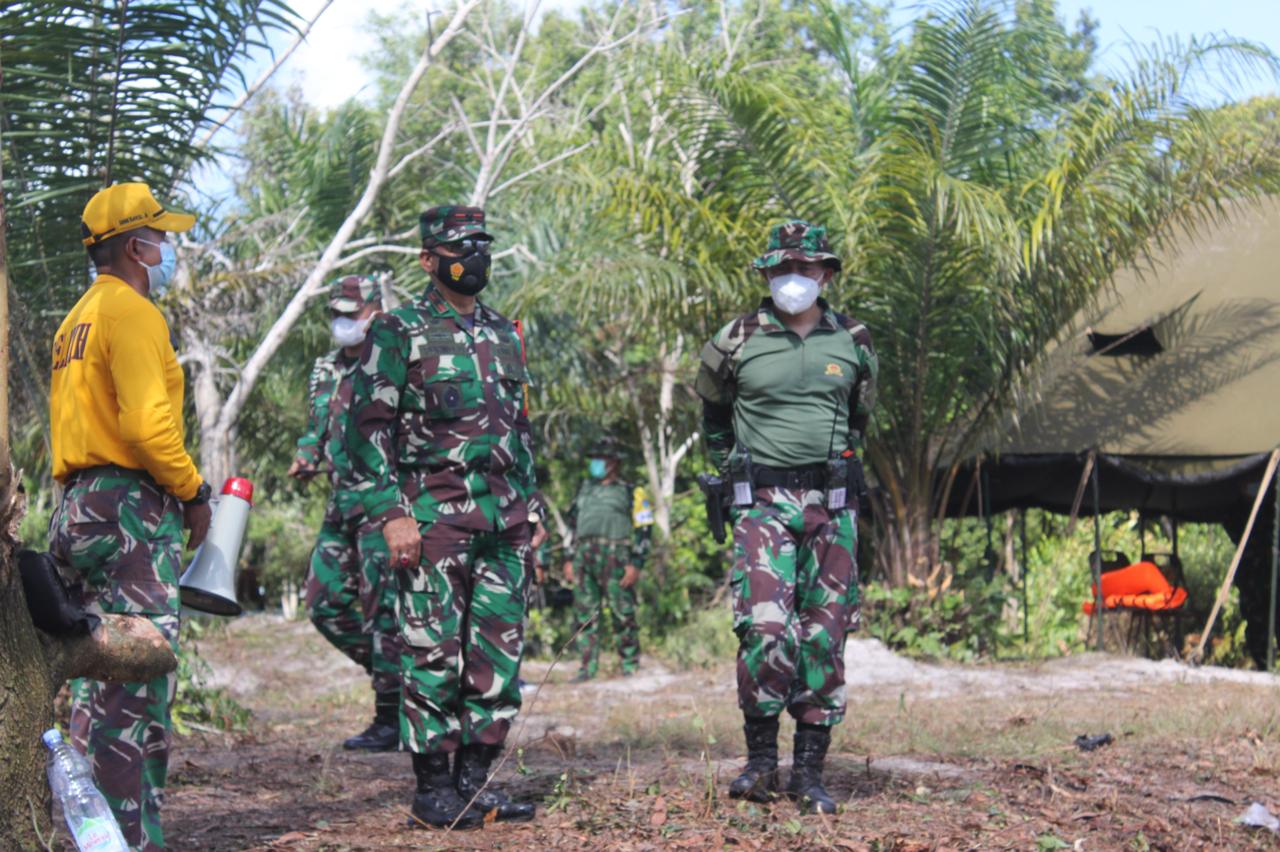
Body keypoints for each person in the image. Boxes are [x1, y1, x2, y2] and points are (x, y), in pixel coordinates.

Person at [347, 205, 547, 829]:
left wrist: (533, 508)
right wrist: (390, 514)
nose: (475, 256)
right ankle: (433, 791)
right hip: (433, 521)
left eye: (482, 243)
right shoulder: (398, 330)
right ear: (429, 259)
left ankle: (475, 784)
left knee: (498, 657)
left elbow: (519, 429)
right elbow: (365, 429)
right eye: (461, 247)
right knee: (432, 655)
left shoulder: (504, 331)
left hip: (505, 522)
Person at [48, 182, 213, 850]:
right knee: (137, 687)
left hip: (78, 508)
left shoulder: (75, 321)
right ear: (136, 247)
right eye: (161, 236)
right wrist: (194, 493)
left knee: (95, 685)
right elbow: (147, 428)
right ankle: (130, 841)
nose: (167, 247)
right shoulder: (133, 313)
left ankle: (91, 835)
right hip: (129, 512)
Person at [694, 219, 877, 815]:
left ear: (826, 274)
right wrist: (732, 475)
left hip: (832, 506)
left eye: (804, 267)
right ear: (766, 274)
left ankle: (810, 774)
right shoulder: (735, 338)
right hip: (762, 505)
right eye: (781, 268)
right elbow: (713, 416)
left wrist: (837, 472)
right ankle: (760, 763)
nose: (792, 278)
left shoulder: (853, 339)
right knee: (766, 629)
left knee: (824, 635)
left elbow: (860, 419)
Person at [289, 275, 400, 751]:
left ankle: (392, 717)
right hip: (341, 503)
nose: (342, 322)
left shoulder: (392, 364)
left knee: (383, 612)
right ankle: (409, 679)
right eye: (336, 313)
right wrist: (307, 455)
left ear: (375, 311)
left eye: (351, 314)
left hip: (382, 504)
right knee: (323, 602)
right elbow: (317, 424)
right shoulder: (326, 368)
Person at [562, 436, 654, 681]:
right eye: (593, 458)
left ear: (613, 462)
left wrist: (637, 563)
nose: (595, 463)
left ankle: (630, 666)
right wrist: (568, 558)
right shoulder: (583, 490)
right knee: (585, 614)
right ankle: (586, 669)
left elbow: (645, 529)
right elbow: (571, 526)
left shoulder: (632, 492)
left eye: (600, 458)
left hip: (617, 557)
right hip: (584, 556)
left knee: (623, 612)